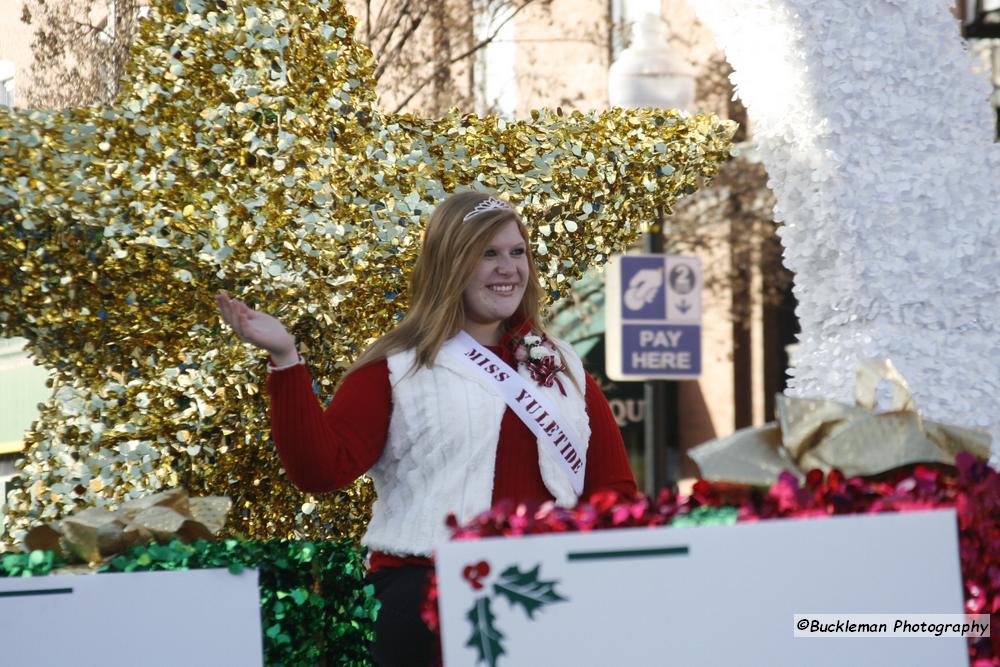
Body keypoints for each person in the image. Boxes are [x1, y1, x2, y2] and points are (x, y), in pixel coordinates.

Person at [215, 190, 637, 666]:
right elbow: (320, 470)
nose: (508, 268)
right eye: (487, 254)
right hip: (427, 597)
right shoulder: (397, 366)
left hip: (545, 595)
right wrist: (286, 360)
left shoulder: (559, 363)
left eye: (517, 252)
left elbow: (614, 488)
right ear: (449, 264)